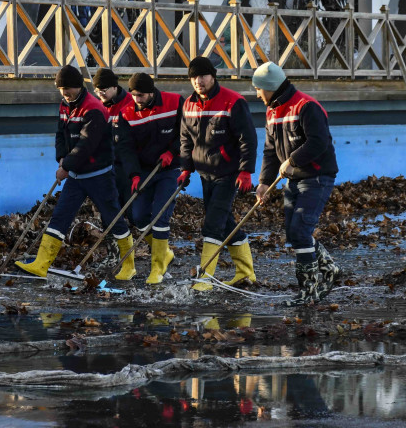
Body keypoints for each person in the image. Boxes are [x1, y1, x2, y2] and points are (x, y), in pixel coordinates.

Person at [15, 65, 134, 279]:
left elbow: (86, 145)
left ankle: (129, 265)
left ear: (79, 86)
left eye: (67, 88)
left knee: (113, 217)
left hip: (99, 175)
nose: (64, 93)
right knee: (60, 216)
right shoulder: (65, 105)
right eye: (61, 88)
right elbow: (61, 133)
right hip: (77, 176)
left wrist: (66, 166)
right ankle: (41, 264)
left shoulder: (94, 109)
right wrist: (61, 157)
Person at [253, 62, 341, 306]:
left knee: (301, 231)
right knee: (293, 233)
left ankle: (308, 291)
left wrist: (292, 160)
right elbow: (270, 151)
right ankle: (330, 268)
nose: (257, 93)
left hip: (317, 176)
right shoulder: (272, 111)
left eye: (258, 89)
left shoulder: (307, 107)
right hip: (292, 178)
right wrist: (263, 183)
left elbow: (318, 142)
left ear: (269, 87)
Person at [177, 56, 258, 292]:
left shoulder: (233, 102)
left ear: (213, 76)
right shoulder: (189, 104)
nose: (198, 81)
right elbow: (185, 140)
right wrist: (185, 168)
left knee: (212, 224)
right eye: (193, 77)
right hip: (204, 173)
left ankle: (205, 279)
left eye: (202, 76)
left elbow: (248, 139)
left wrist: (246, 171)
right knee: (226, 224)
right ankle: (246, 272)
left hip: (228, 173)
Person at [114, 72, 183, 284]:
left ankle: (158, 269)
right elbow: (125, 148)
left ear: (151, 92)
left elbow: (187, 132)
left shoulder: (175, 102)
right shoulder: (126, 114)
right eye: (133, 95)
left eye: (141, 95)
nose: (137, 99)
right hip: (144, 171)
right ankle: (165, 253)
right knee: (140, 216)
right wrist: (133, 174)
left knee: (160, 216)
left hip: (171, 169)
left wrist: (173, 152)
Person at [93, 68, 133, 231]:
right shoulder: (97, 106)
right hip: (106, 164)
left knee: (131, 207)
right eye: (97, 91)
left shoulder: (131, 102)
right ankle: (113, 243)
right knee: (108, 207)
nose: (100, 94)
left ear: (114, 87)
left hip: (128, 164)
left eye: (103, 90)